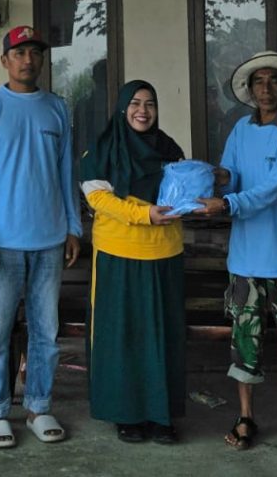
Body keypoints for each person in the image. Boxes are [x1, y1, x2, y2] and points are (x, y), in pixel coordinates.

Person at [195, 50, 277, 456]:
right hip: (246, 260)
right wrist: (210, 177)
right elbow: (233, 175)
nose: (265, 89)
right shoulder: (239, 129)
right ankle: (246, 415)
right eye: (258, 82)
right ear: (249, 90)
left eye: (273, 81)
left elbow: (274, 187)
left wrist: (228, 204)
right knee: (244, 343)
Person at [0, 25, 82, 448]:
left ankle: (38, 406)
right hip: (2, 244)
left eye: (34, 53)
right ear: (5, 61)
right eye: (19, 53)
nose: (27, 60)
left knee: (46, 333)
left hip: (50, 240)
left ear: (42, 60)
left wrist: (72, 226)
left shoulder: (57, 108)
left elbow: (67, 172)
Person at [79, 80, 187, 444]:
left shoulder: (169, 148)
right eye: (135, 103)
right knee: (122, 338)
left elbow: (182, 192)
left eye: (150, 103)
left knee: (162, 337)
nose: (143, 110)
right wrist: (144, 215)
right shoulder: (103, 148)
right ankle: (126, 414)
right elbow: (98, 198)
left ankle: (161, 415)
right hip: (119, 254)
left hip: (165, 253)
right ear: (122, 108)